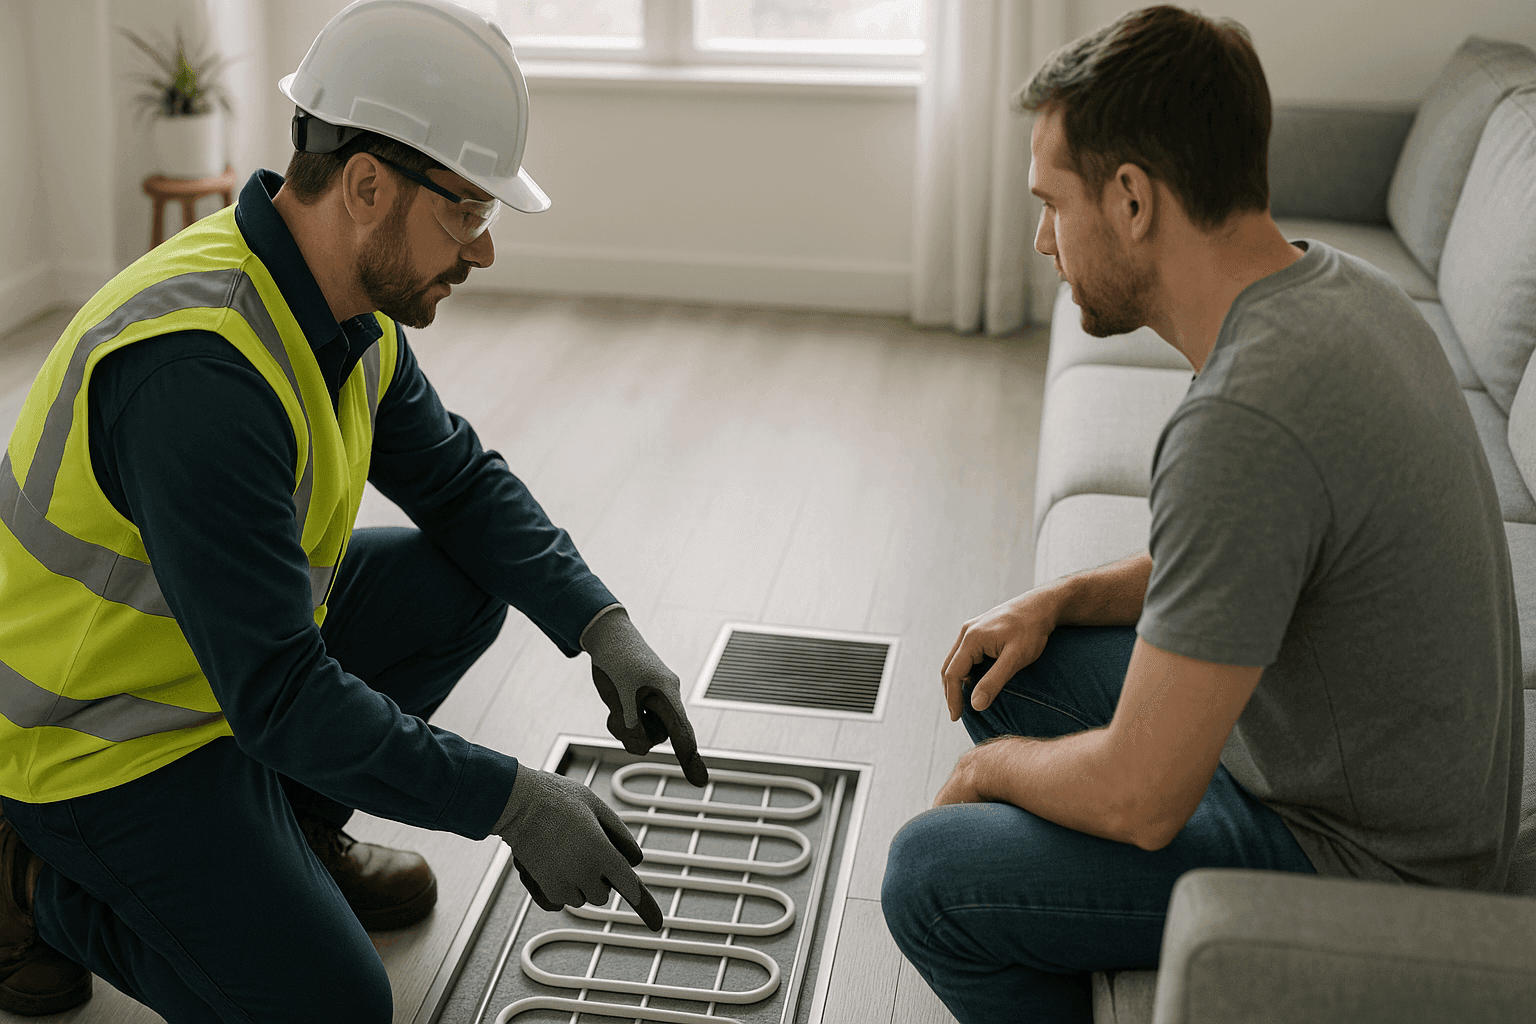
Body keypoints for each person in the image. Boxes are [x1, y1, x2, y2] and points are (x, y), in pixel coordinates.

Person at [0, 1, 709, 1019]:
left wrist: (604, 625)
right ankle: (31, 885)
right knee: (333, 1005)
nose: (483, 249)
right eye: (466, 210)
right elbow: (282, 693)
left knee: (459, 585)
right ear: (369, 184)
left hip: (210, 680)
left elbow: (461, 485)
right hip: (92, 739)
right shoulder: (196, 371)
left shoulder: (344, 312)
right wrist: (511, 801)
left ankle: (280, 830)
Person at [881, 6, 1522, 1023]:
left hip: (1365, 858)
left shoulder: (1245, 418)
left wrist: (986, 774)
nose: (1043, 240)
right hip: (1366, 773)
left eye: (1053, 204)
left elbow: (1142, 797)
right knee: (1004, 672)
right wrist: (1060, 598)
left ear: (1132, 198)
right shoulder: (1341, 290)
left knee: (928, 873)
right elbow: (1243, 551)